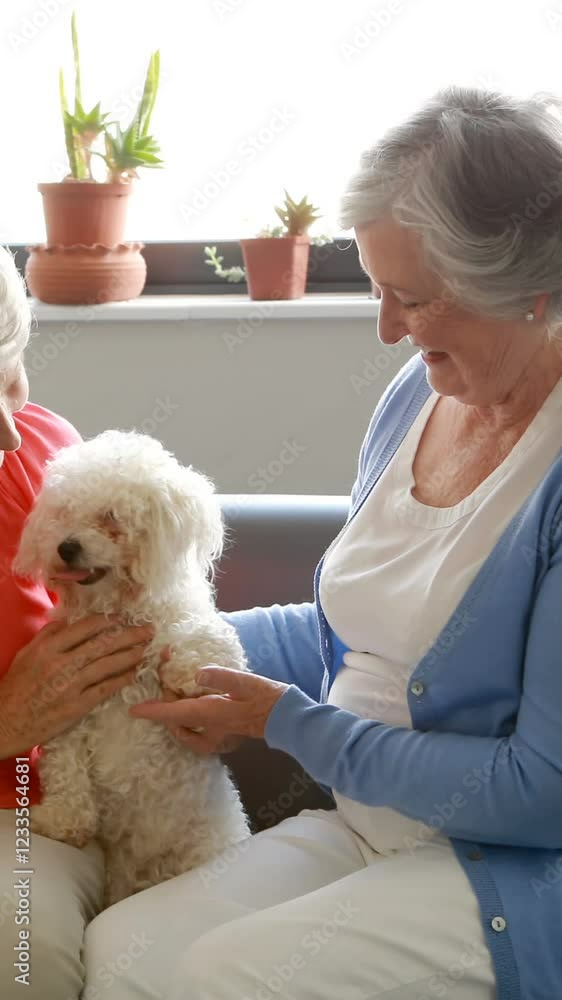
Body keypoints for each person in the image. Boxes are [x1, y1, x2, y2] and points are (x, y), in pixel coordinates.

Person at [82, 86, 562, 1000]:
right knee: (125, 954)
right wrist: (170, 642)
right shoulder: (419, 394)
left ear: (523, 287)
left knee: (223, 979)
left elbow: (543, 790)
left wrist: (282, 721)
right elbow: (363, 632)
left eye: (412, 299)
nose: (386, 328)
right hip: (365, 825)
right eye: (379, 290)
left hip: (498, 864)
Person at [0, 247, 156, 998]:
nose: (8, 431)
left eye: (12, 377)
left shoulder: (50, 454)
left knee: (17, 941)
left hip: (44, 810)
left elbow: (148, 604)